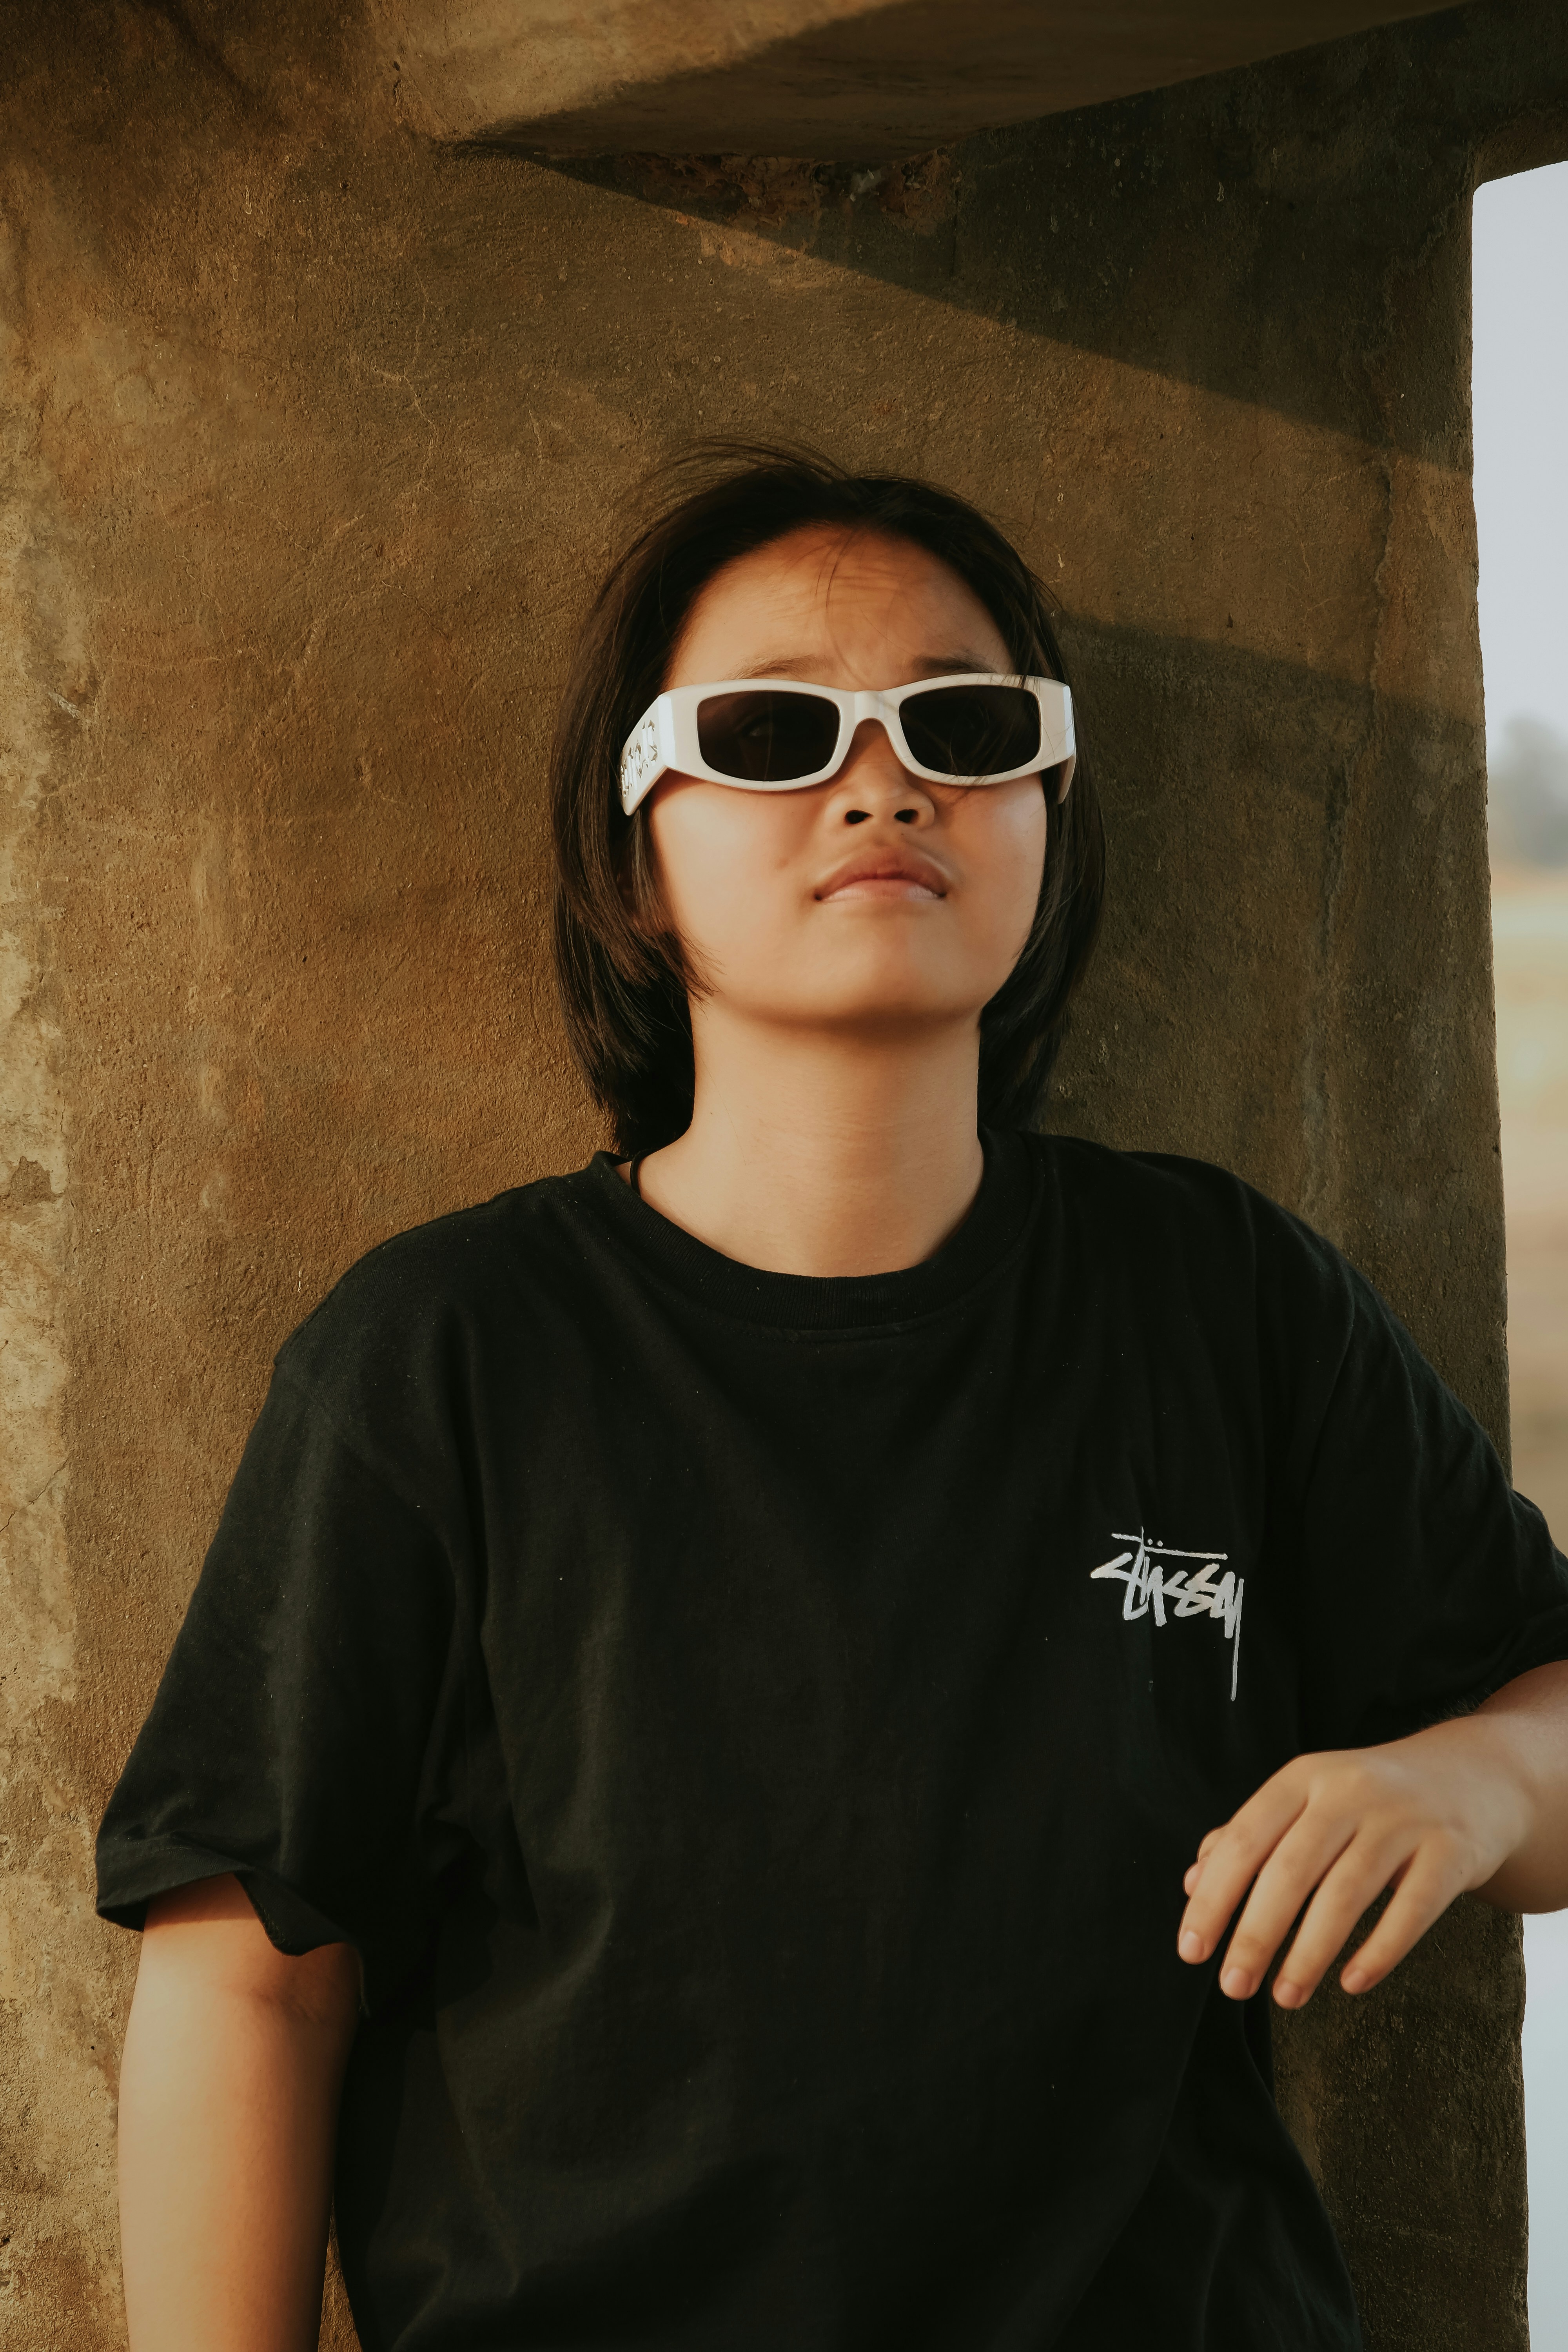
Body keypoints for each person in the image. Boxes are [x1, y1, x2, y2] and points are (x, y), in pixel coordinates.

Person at [98, 445, 1568, 2352]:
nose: (882, 781)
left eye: (962, 721)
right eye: (775, 730)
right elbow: (246, 1983)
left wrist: (1472, 1775)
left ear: (1047, 804)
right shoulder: (439, 1354)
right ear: (635, 849)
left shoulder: (1219, 1296)